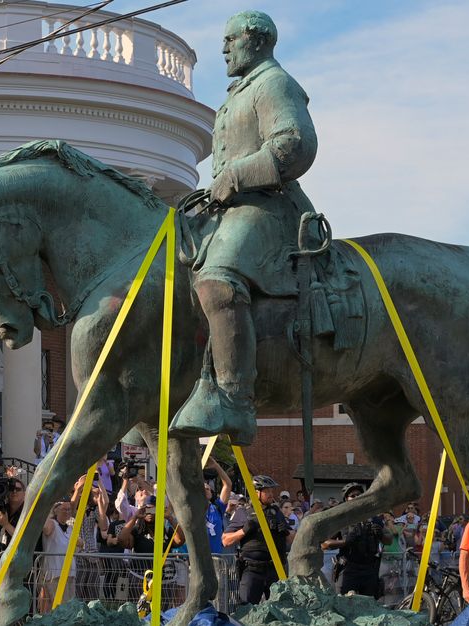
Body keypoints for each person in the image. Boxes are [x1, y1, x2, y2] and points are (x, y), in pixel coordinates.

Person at [170, 10, 318, 446]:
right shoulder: (241, 91)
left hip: (269, 209)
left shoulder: (275, 83)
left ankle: (235, 397)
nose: (223, 48)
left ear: (257, 39)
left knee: (216, 283)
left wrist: (234, 177)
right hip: (229, 209)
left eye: (230, 39)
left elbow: (295, 145)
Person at [222, 475, 291, 604]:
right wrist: (244, 530)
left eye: (272, 491)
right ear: (256, 493)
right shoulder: (244, 512)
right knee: (247, 609)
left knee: (283, 609)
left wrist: (286, 532)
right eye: (267, 491)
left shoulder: (276, 512)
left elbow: (291, 539)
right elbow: (226, 540)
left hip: (275, 570)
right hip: (252, 571)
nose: (271, 494)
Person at [321, 483, 385, 599]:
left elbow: (389, 539)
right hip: (348, 569)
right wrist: (345, 541)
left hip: (370, 569)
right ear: (346, 499)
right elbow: (324, 544)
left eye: (358, 495)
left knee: (370, 609)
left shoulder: (374, 518)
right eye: (352, 495)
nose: (356, 497)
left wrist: (381, 533)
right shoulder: (339, 519)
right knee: (344, 605)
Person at [40, 501, 80, 611]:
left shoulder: (70, 528)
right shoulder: (52, 524)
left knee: (69, 608)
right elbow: (47, 530)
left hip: (70, 574)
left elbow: (79, 546)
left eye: (69, 509)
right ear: (56, 510)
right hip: (55, 574)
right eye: (64, 509)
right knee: (60, 608)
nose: (67, 512)